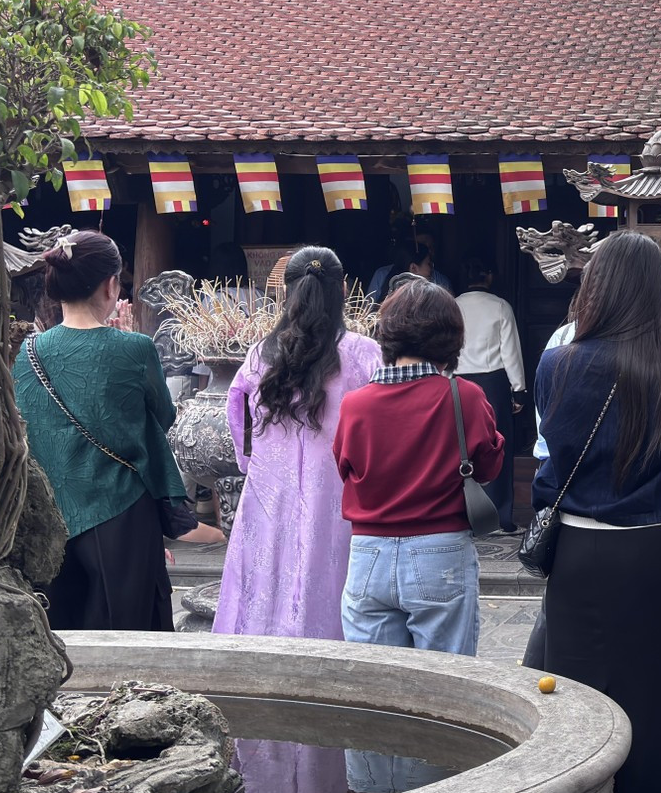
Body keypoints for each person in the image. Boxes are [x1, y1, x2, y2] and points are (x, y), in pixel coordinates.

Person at [531, 233, 661, 793]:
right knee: (660, 698)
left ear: (595, 289)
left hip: (578, 550)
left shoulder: (556, 364)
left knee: (579, 690)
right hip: (657, 551)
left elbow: (553, 442)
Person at [13, 231, 221, 630]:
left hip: (49, 515)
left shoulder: (26, 353)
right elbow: (162, 417)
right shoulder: (135, 348)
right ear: (111, 285)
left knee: (58, 629)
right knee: (130, 631)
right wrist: (123, 342)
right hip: (122, 511)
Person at [332, 277, 505, 656]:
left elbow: (345, 468)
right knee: (446, 679)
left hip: (369, 553)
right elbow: (488, 468)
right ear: (451, 339)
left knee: (376, 680)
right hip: (440, 551)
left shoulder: (355, 405)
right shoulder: (465, 397)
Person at [217, 246, 383, 639]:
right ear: (343, 289)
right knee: (330, 581)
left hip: (269, 489)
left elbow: (237, 413)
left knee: (265, 583)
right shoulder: (364, 354)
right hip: (338, 492)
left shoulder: (261, 354)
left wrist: (250, 463)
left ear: (286, 292)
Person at [455, 259, 526, 532]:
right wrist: (518, 389)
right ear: (489, 276)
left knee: (462, 447)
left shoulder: (453, 306)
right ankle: (501, 516)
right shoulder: (500, 306)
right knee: (497, 446)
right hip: (493, 382)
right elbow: (510, 351)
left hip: (458, 381)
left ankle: (464, 515)